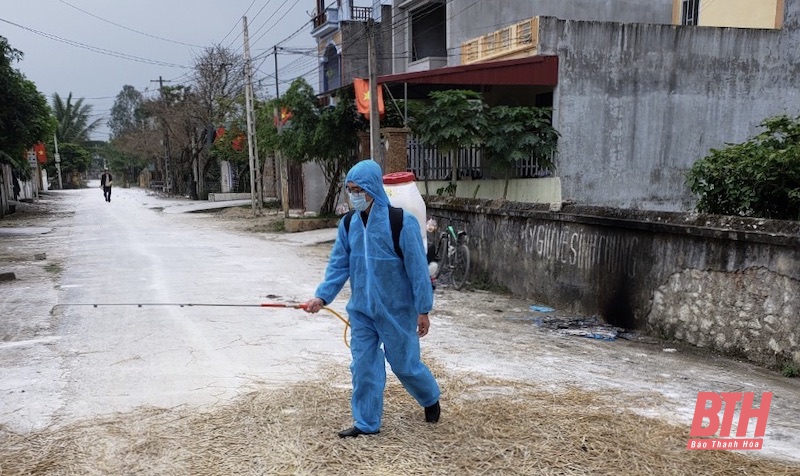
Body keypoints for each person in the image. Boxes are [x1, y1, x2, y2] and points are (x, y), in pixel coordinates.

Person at [304, 159, 441, 438]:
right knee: (363, 365)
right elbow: (339, 265)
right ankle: (366, 423)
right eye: (350, 190)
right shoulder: (348, 224)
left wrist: (423, 309)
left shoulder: (401, 222)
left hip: (397, 310)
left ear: (373, 189)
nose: (354, 196)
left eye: (359, 190)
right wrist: (322, 297)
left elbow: (417, 269)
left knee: (405, 365)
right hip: (362, 311)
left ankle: (429, 398)